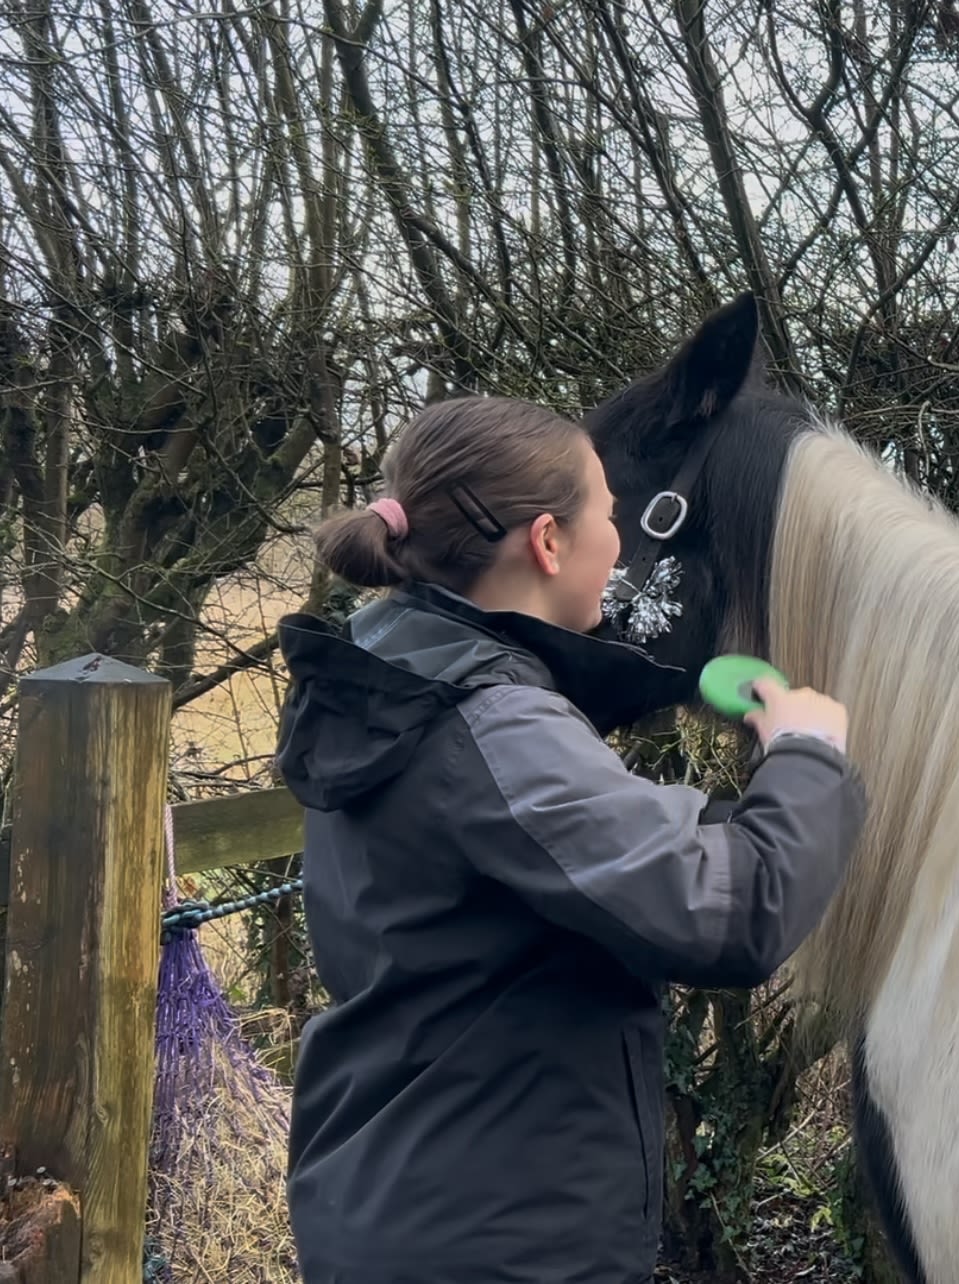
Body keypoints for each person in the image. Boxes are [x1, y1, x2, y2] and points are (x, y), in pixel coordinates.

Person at [270, 395, 866, 1284]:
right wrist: (809, 758)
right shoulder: (496, 728)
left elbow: (545, 837)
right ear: (549, 542)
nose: (619, 544)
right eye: (609, 515)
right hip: (501, 1240)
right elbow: (733, 914)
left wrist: (691, 742)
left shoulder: (388, 670)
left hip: (403, 1195)